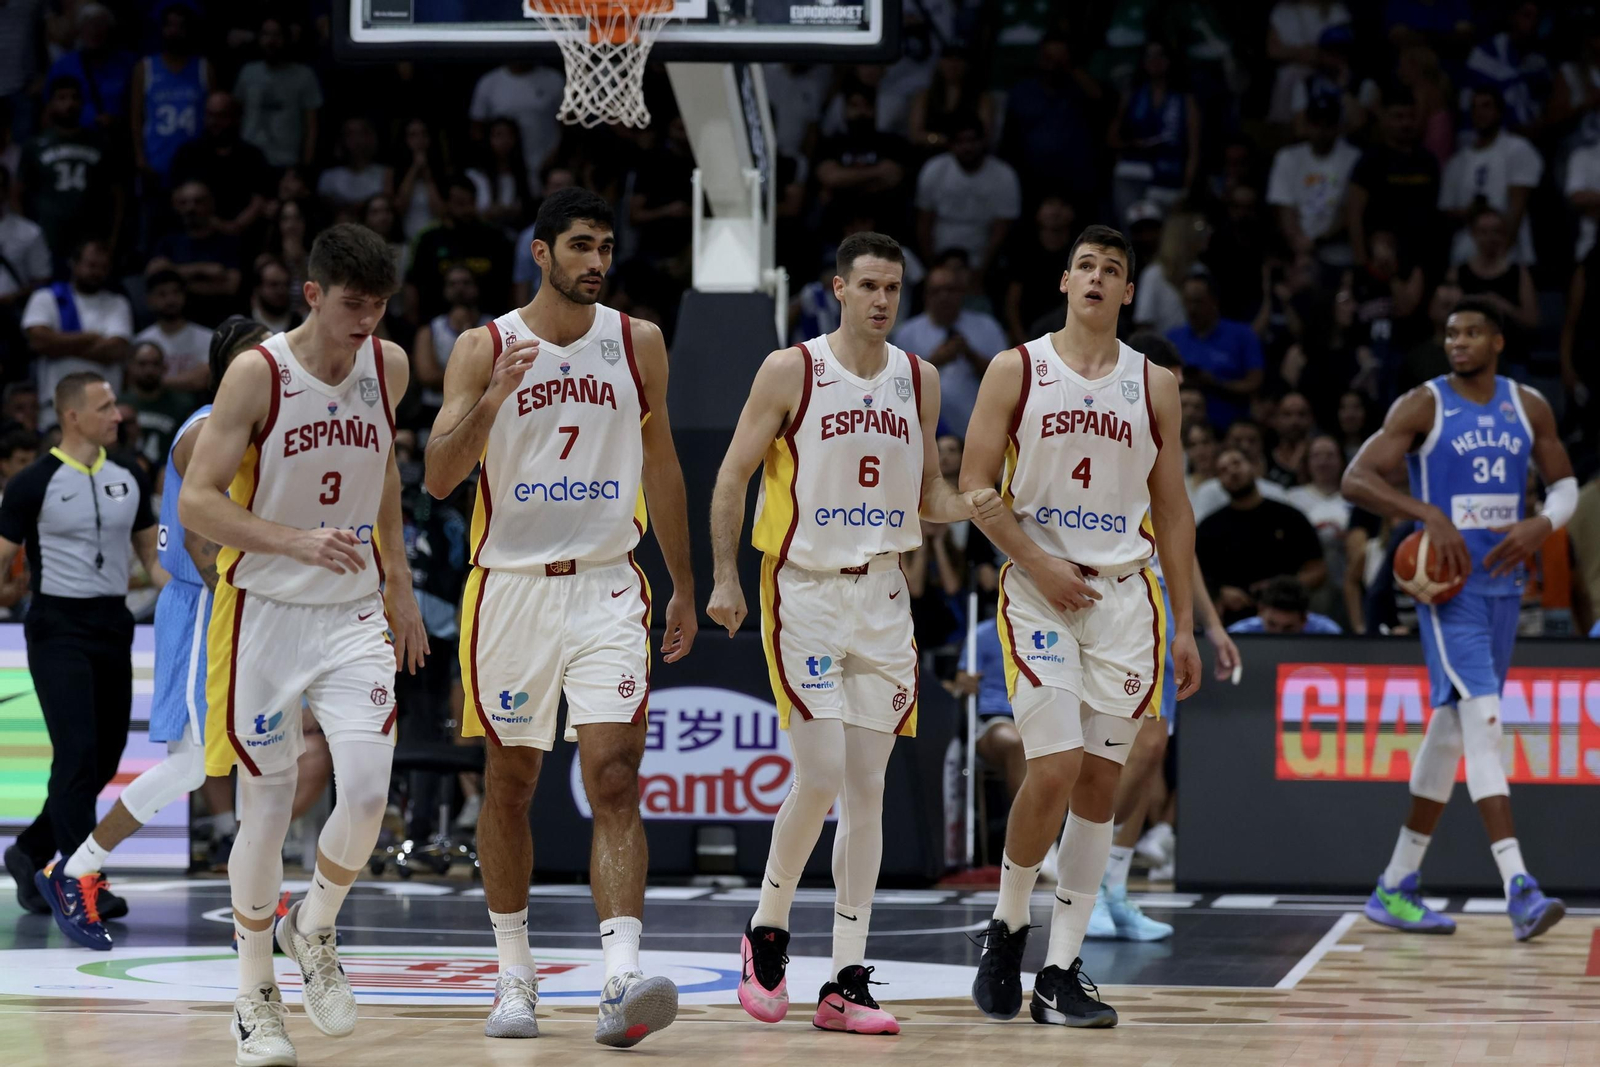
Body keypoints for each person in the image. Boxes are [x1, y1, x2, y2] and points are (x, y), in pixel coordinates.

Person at [423, 187, 697, 1047]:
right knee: (512, 784)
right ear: (540, 253)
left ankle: (621, 979)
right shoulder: (484, 344)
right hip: (511, 587)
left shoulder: (637, 340)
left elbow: (662, 463)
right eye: (581, 245)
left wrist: (686, 582)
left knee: (613, 775)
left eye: (606, 247)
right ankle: (515, 975)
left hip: (610, 582)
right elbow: (436, 476)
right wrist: (492, 399)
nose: (598, 262)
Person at [708, 230, 997, 1036]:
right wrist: (727, 576)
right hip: (800, 586)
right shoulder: (790, 369)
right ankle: (767, 928)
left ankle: (845, 978)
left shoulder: (921, 379)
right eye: (868, 285)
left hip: (882, 595)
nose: (881, 299)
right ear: (838, 288)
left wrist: (980, 502)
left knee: (867, 790)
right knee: (824, 771)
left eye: (893, 288)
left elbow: (927, 497)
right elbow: (733, 473)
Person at [180, 224, 428, 1065]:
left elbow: (386, 471)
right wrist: (293, 539)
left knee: (364, 796)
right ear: (314, 294)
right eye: (353, 305)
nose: (368, 321)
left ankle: (310, 926)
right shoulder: (259, 374)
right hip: (267, 615)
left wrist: (397, 579)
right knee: (266, 808)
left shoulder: (388, 366)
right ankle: (253, 994)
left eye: (381, 306)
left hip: (352, 612)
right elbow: (197, 502)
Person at [960, 225, 1200, 1027]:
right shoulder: (1015, 368)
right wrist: (1039, 563)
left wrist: (1189, 628)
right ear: (1065, 282)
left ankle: (1061, 969)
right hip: (1037, 587)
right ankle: (1007, 923)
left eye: (1114, 270)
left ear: (1129, 292)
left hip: (1128, 599)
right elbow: (974, 487)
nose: (1098, 278)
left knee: (1102, 781)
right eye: (1087, 266)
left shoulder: (1154, 384)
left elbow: (1172, 510)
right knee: (1055, 764)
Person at [1342, 295, 1577, 942]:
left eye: (1472, 332)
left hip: (1506, 587)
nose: (1459, 342)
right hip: (1450, 594)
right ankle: (1520, 887)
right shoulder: (1422, 403)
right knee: (1485, 721)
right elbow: (1355, 478)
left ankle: (1395, 883)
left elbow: (1565, 485)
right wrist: (1428, 514)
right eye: (1451, 333)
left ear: (1497, 341)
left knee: (1449, 733)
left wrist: (1541, 523)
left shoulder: (1528, 405)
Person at [37, 317, 267, 950]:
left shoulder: (258, 429)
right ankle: (74, 868)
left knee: (260, 762)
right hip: (206, 609)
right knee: (192, 765)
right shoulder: (203, 431)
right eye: (258, 358)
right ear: (231, 369)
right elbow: (198, 544)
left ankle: (256, 907)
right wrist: (250, 610)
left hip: (246, 608)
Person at [0, 372, 157, 926]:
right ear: (72, 416)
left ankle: (26, 854)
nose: (119, 415)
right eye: (106, 406)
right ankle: (80, 879)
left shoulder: (130, 475)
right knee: (76, 753)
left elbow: (154, 560)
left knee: (104, 758)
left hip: (113, 625)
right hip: (56, 626)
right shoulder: (32, 483)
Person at [1197, 447, 1327, 622]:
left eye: (1236, 463)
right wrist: (1219, 593)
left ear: (1253, 467)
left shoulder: (1290, 517)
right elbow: (1195, 576)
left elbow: (1317, 570)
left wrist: (1280, 589)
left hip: (1288, 618)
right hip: (1231, 621)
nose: (1232, 472)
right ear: (1218, 482)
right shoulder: (1209, 528)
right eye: (1223, 470)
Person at [21, 239, 132, 429]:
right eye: (91, 265)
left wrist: (57, 346)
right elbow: (39, 341)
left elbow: (115, 350)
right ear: (74, 263)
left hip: (103, 407)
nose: (97, 272)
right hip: (56, 403)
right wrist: (90, 338)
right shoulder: (47, 297)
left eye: (103, 267)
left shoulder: (117, 303)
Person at [891, 261, 1007, 433]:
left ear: (962, 292)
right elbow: (898, 387)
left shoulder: (987, 326)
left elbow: (1005, 381)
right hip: (925, 433)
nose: (944, 296)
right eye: (936, 291)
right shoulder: (907, 333)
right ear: (926, 295)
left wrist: (971, 355)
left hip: (977, 431)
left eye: (951, 290)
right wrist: (935, 361)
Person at [130, 4, 211, 187]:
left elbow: (214, 116)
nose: (175, 31)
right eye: (170, 25)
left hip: (194, 166)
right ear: (162, 29)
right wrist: (140, 158)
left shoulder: (204, 68)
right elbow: (136, 119)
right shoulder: (145, 68)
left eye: (181, 26)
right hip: (155, 164)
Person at [147, 180, 243, 327]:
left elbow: (231, 286)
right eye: (184, 202)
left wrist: (177, 279)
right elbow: (154, 274)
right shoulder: (168, 242)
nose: (190, 208)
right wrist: (204, 269)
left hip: (220, 322)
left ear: (211, 204)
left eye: (198, 201)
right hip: (177, 325)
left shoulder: (227, 242)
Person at [233, 16, 322, 169]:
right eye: (266, 34)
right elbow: (235, 116)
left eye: (277, 35)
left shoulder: (304, 75)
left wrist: (306, 168)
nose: (271, 41)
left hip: (287, 162)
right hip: (248, 161)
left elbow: (311, 128)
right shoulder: (247, 72)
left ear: (287, 39)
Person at [132, 269, 213, 392]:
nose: (171, 300)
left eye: (176, 293)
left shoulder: (207, 338)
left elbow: (202, 379)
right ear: (150, 300)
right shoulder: (142, 341)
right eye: (162, 294)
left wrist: (151, 382)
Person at [119, 341, 194, 469]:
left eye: (155, 364)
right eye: (142, 364)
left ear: (165, 367)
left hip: (170, 472)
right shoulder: (120, 404)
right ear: (130, 366)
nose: (149, 370)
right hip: (129, 470)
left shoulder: (183, 405)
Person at [1226, 574, 1343, 633]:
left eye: (1288, 629)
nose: (1278, 634)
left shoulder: (1328, 634)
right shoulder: (1239, 635)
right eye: (1272, 624)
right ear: (1261, 611)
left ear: (1305, 618)